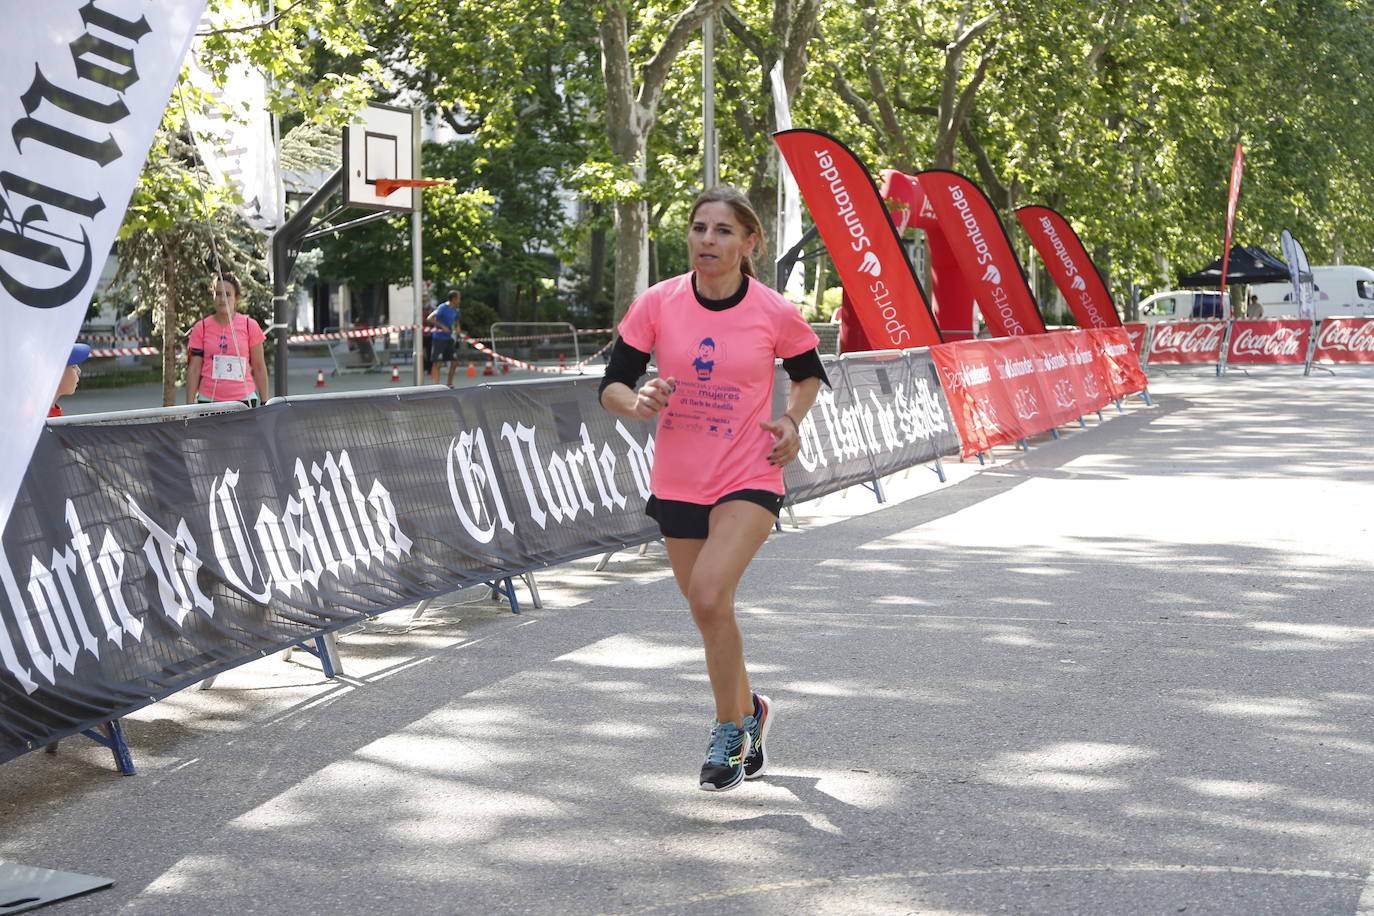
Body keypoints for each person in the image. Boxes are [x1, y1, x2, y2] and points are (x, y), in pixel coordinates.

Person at [599, 187, 828, 792]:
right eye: (700, 228)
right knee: (711, 611)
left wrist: (792, 420)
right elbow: (613, 385)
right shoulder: (658, 303)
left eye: (723, 231)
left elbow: (807, 376)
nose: (708, 239)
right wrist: (637, 400)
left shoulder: (774, 311)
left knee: (706, 594)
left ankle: (728, 733)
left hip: (750, 471)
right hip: (678, 478)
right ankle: (750, 711)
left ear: (750, 243)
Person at [186, 273, 268, 406]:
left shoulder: (250, 326)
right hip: (208, 400)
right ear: (213, 296)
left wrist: (265, 402)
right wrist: (188, 406)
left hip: (244, 401)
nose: (222, 299)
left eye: (227, 294)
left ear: (237, 298)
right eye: (218, 294)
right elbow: (194, 368)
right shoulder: (201, 327)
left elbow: (259, 366)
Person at [425, 290, 463, 385]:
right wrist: (442, 326)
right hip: (439, 338)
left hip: (449, 338)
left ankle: (449, 384)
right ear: (453, 299)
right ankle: (437, 385)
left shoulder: (456, 310)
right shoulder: (442, 307)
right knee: (438, 363)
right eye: (459, 298)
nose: (460, 300)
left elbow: (457, 321)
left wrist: (457, 328)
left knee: (454, 362)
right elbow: (430, 318)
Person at [48, 344, 91, 418]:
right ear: (56, 373)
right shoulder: (39, 418)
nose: (79, 371)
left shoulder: (47, 411)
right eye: (73, 367)